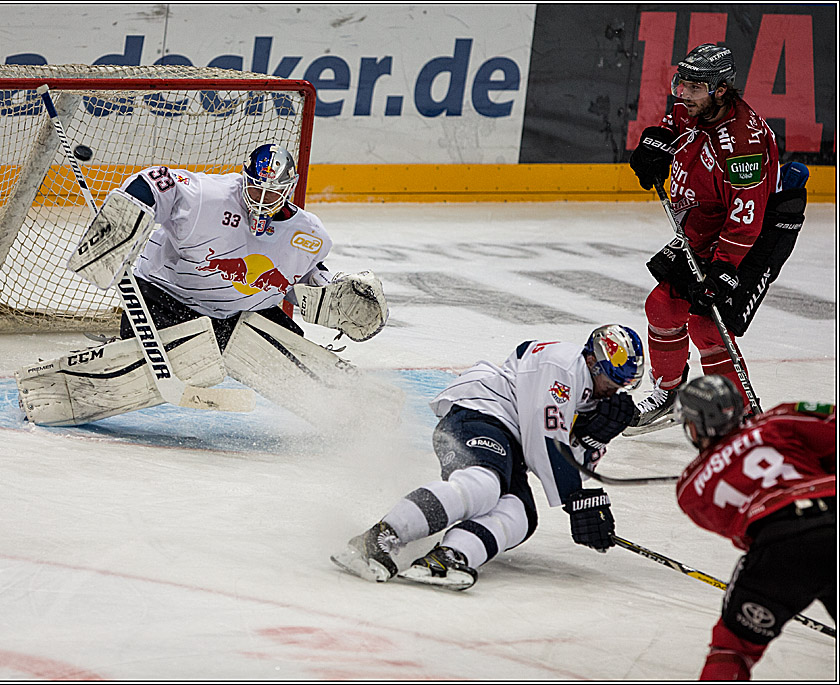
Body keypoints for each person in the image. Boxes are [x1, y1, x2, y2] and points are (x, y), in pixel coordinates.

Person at [330, 324, 644, 590]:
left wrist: (594, 438)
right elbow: (545, 443)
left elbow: (569, 460)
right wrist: (575, 498)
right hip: (479, 413)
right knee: (482, 485)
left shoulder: (599, 401)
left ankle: (449, 556)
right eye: (614, 382)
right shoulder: (562, 367)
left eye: (625, 385)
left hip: (510, 443)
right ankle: (377, 538)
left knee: (520, 515)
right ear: (592, 361)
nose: (617, 391)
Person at [628, 43, 787, 430]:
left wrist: (723, 270)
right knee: (662, 308)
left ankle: (741, 417)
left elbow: (746, 218)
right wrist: (655, 143)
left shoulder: (741, 144)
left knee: (707, 324)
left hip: (757, 232)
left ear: (720, 89)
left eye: (693, 87)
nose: (682, 94)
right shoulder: (695, 107)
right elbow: (672, 127)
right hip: (708, 224)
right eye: (680, 83)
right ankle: (668, 394)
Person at [114, 143, 387, 349]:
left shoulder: (309, 233)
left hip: (237, 317)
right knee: (180, 351)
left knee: (296, 352)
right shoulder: (208, 196)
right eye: (257, 189)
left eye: (273, 193)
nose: (263, 200)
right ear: (244, 178)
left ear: (289, 189)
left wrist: (325, 287)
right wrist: (127, 213)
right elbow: (159, 181)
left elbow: (297, 274)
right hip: (164, 301)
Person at [673, 375, 835, 680]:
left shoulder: (691, 488)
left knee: (733, 648)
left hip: (780, 543)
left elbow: (739, 531)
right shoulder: (779, 420)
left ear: (694, 426)